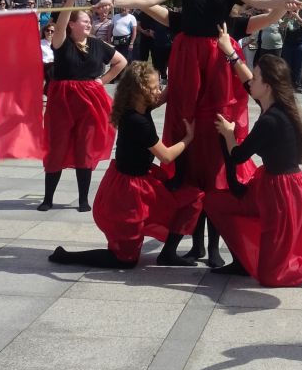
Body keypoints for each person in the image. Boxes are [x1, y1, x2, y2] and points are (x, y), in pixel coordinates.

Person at [101, 0, 298, 209]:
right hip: (188, 58)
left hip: (219, 58)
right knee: (184, 112)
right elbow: (149, 1)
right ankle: (182, 173)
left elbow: (258, 3)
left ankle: (226, 173)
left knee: (221, 114)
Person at [205, 31, 302, 286]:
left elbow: (239, 155)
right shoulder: (272, 104)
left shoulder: (272, 120)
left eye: (256, 78)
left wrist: (229, 133)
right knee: (216, 202)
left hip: (284, 195)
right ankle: (242, 261)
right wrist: (231, 54)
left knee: (272, 275)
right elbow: (246, 81)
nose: (251, 82)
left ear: (267, 86)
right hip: (269, 187)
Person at [49, 62, 201, 269]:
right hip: (127, 193)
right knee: (125, 259)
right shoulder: (137, 121)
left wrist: (182, 71)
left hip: (142, 181)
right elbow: (166, 156)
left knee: (191, 198)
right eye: (154, 87)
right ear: (140, 92)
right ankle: (66, 257)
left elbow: (163, 97)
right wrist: (188, 138)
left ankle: (168, 253)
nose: (159, 91)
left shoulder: (138, 106)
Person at [40, 0, 127, 212]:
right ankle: (48, 198)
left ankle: (83, 200)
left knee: (85, 148)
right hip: (63, 101)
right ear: (72, 24)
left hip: (90, 102)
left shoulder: (98, 45)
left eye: (90, 21)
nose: (89, 24)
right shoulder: (62, 42)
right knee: (57, 146)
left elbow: (121, 62)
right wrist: (71, 0)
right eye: (84, 21)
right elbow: (60, 24)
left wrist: (102, 80)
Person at [280, 9, 302, 87]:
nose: (293, 11)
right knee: (287, 64)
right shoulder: (286, 16)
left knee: (298, 65)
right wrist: (288, 18)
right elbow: (281, 26)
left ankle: (297, 83)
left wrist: (297, 17)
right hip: (288, 44)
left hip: (299, 44)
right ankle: (288, 83)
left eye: (295, 10)